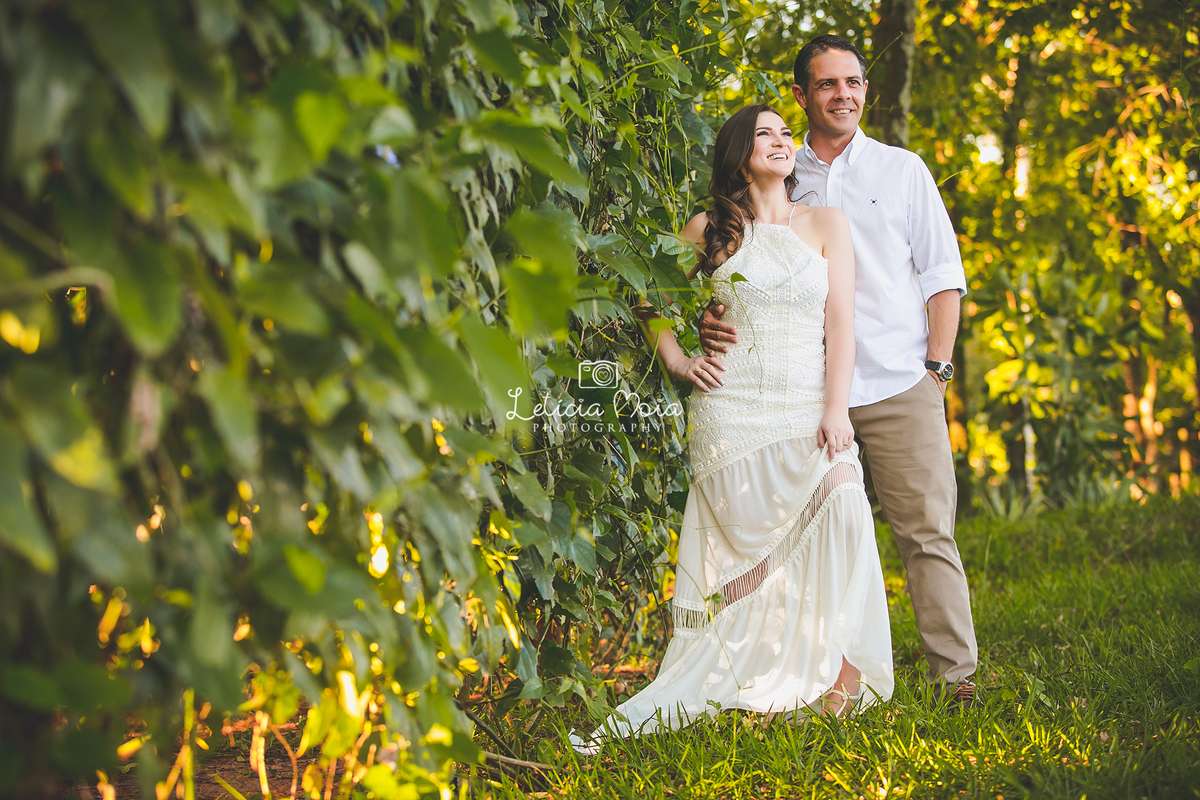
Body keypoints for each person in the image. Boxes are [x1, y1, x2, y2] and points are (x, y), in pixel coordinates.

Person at [570, 103, 893, 753]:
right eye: (764, 133)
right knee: (748, 555)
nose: (781, 141)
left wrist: (836, 409)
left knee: (845, 510)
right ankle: (756, 677)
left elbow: (842, 326)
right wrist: (679, 359)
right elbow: (649, 296)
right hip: (730, 411)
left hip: (809, 406)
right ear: (739, 152)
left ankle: (841, 685)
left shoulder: (826, 223)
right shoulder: (709, 228)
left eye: (785, 133)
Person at [699, 35, 979, 702]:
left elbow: (943, 278)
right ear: (802, 95)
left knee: (926, 531)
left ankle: (955, 678)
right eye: (827, 84)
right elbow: (730, 262)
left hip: (896, 381)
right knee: (797, 539)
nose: (843, 94)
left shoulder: (902, 170)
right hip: (797, 390)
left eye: (853, 82)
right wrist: (705, 320)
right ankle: (801, 677)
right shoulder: (776, 171)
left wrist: (936, 371)